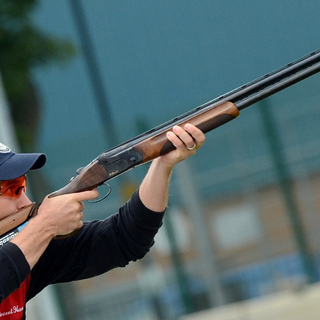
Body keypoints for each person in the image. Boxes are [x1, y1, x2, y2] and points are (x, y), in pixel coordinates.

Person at [0, 123, 205, 319]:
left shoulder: (25, 250)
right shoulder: (27, 246)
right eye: (12, 188)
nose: (25, 202)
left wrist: (162, 164)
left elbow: (124, 238)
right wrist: (45, 225)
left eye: (22, 184)